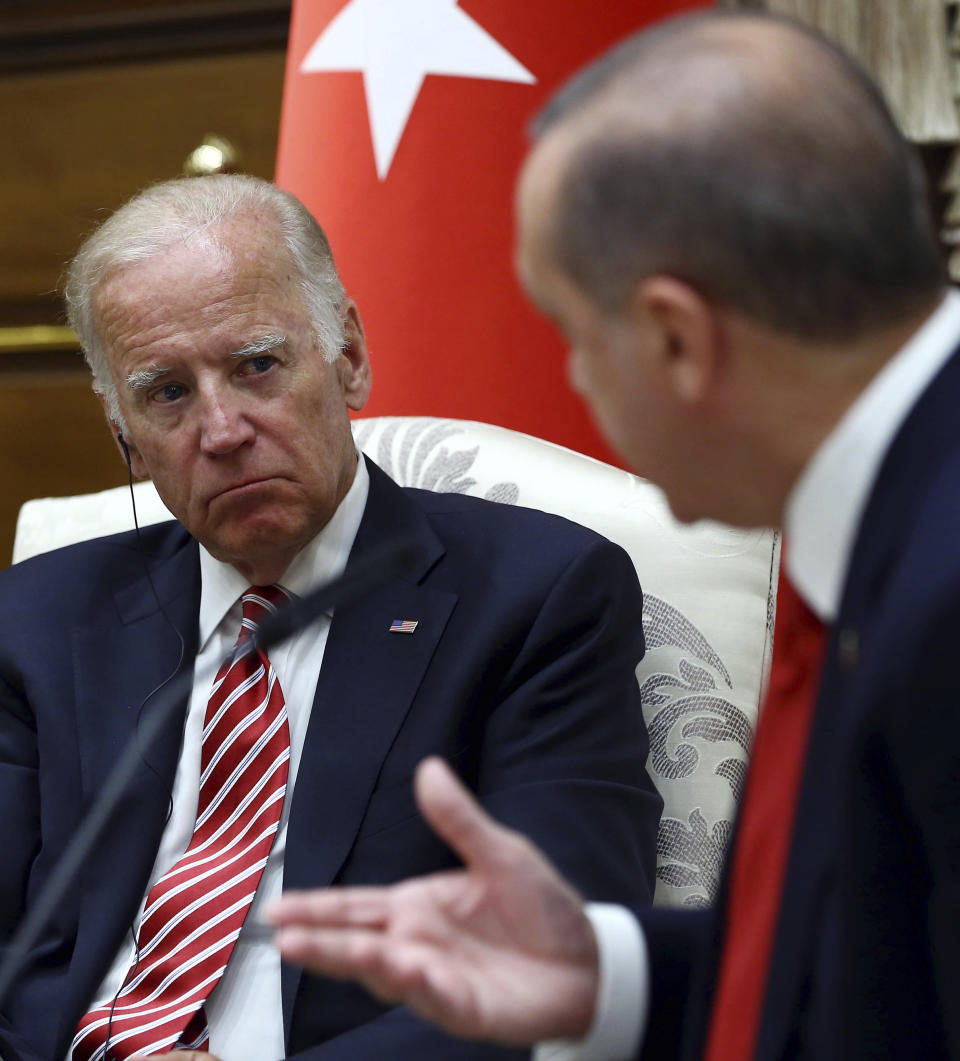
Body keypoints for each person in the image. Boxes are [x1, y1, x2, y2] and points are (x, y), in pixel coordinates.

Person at [267, 10, 960, 1061]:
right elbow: (876, 970)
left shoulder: (943, 588)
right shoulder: (897, 523)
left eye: (578, 339)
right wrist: (605, 973)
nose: (580, 387)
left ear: (676, 338)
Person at [0, 174, 663, 1060]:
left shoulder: (538, 596)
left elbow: (556, 962)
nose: (223, 427)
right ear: (121, 427)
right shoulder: (35, 622)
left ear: (347, 353)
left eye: (257, 365)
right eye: (166, 393)